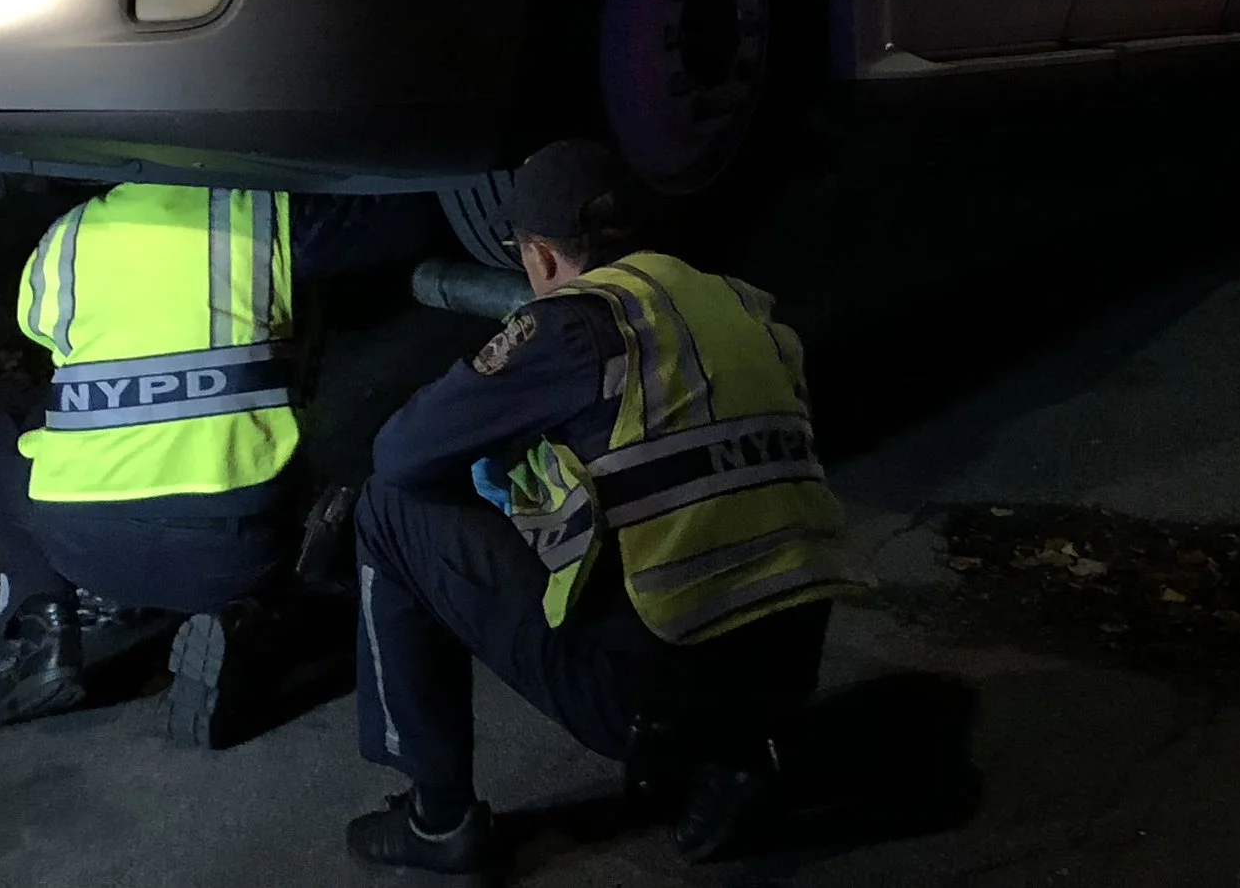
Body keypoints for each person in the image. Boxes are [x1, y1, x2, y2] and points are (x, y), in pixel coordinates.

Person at [346, 140, 860, 875]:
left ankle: (437, 819)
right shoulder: (745, 306)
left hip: (648, 702)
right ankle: (733, 762)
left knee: (387, 508)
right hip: (785, 677)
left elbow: (401, 451)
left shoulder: (578, 326)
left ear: (543, 258)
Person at [0, 182, 429, 734]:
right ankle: (253, 622)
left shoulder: (63, 238)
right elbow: (403, 219)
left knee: (10, 436)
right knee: (341, 505)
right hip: (239, 550)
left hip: (85, 551)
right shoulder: (255, 213)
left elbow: (41, 331)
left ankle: (44, 635)